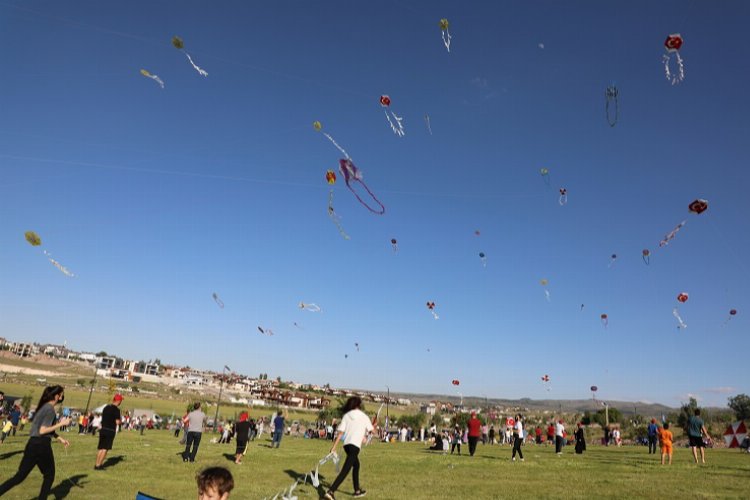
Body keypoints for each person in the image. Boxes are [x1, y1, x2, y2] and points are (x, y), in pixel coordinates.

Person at [0, 385, 71, 499]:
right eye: (61, 394)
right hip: (42, 445)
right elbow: (43, 430)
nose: (62, 396)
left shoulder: (43, 407)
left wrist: (60, 438)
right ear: (56, 396)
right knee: (49, 475)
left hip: (32, 444)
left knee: (19, 477)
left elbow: (43, 428)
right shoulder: (50, 410)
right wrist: (62, 423)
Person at [324, 396, 375, 500]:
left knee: (356, 465)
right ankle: (331, 491)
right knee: (345, 470)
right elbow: (373, 432)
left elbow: (340, 433)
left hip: (347, 445)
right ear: (358, 405)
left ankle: (357, 490)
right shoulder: (364, 416)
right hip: (355, 446)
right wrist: (375, 426)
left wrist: (334, 447)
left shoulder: (346, 416)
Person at [95, 393, 123, 470]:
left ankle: (96, 464)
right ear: (118, 401)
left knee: (100, 448)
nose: (121, 402)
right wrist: (121, 422)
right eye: (121, 401)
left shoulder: (106, 407)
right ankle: (99, 465)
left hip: (103, 429)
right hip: (110, 430)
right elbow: (117, 422)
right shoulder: (117, 410)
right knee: (105, 448)